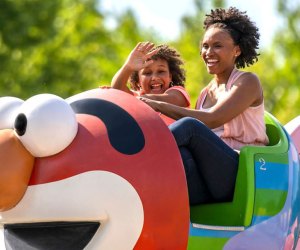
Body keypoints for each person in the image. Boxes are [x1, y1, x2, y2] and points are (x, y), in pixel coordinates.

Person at [139, 7, 269, 205]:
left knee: (190, 127)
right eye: (205, 46)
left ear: (237, 50)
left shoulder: (247, 82)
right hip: (208, 182)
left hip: (242, 176)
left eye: (217, 46)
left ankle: (134, 160)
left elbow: (211, 119)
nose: (208, 52)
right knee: (180, 156)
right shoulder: (205, 93)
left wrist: (155, 105)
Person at [111, 42, 190, 109]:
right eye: (147, 73)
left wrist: (133, 100)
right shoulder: (136, 95)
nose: (155, 77)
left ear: (170, 76)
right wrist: (128, 67)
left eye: (161, 71)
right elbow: (116, 90)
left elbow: (170, 99)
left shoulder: (178, 92)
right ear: (138, 81)